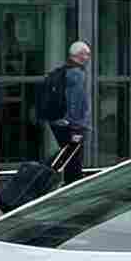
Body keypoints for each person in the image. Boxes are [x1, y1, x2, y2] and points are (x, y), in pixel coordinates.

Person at [36, 40, 92, 184]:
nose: (88, 58)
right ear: (79, 55)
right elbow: (75, 102)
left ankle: (57, 181)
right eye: (87, 55)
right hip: (72, 125)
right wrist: (77, 127)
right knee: (74, 161)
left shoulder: (63, 71)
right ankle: (68, 187)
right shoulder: (76, 74)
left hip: (58, 122)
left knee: (67, 157)